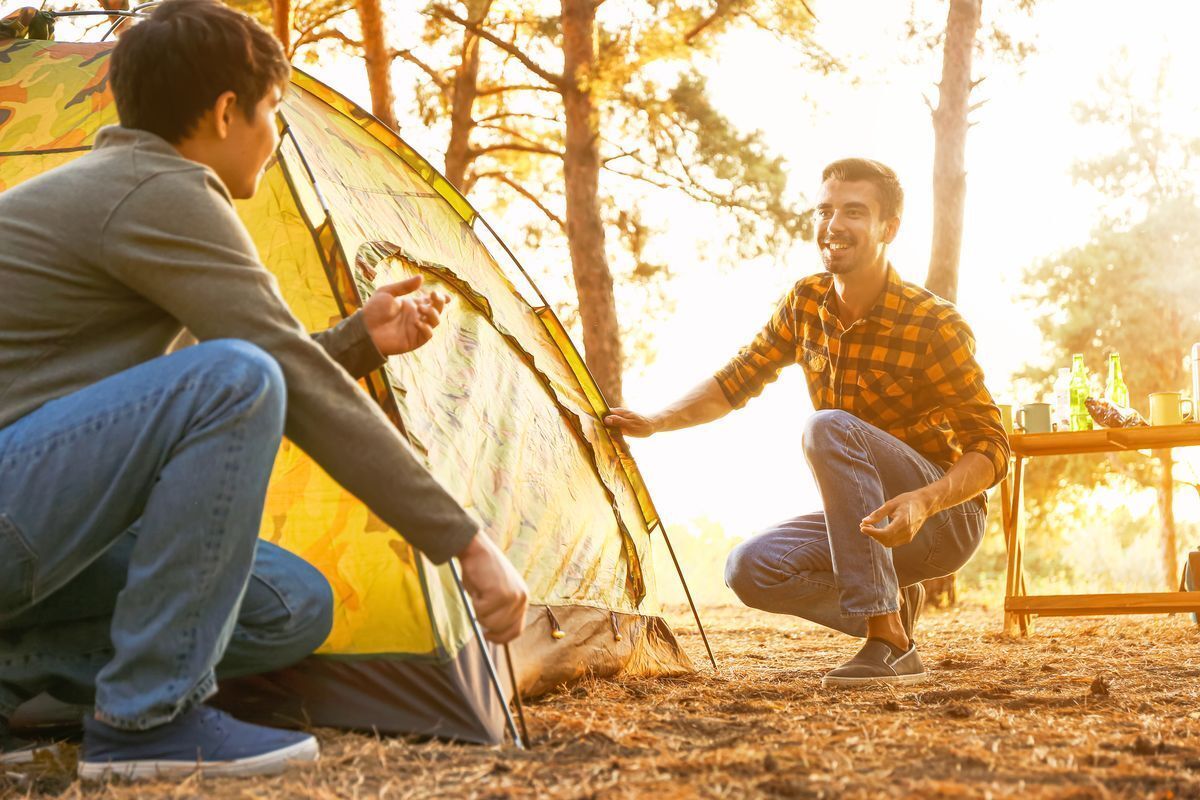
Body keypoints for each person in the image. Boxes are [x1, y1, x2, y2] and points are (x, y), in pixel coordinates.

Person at [0, 0, 528, 780]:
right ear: (225, 112)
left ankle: (16, 669)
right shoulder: (159, 189)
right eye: (273, 111)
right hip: (20, 506)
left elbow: (214, 381)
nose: (275, 138)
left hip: (38, 509)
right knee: (235, 377)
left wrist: (356, 342)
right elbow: (256, 370)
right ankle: (146, 721)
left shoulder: (127, 188)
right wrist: (466, 541)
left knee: (289, 604)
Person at [605, 158, 1008, 688]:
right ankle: (891, 609)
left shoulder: (933, 323)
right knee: (750, 569)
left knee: (827, 427)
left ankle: (887, 642)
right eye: (825, 210)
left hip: (940, 522)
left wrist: (925, 500)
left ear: (889, 229)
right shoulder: (806, 302)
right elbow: (735, 382)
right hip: (865, 528)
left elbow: (993, 447)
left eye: (854, 212)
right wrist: (656, 420)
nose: (833, 225)